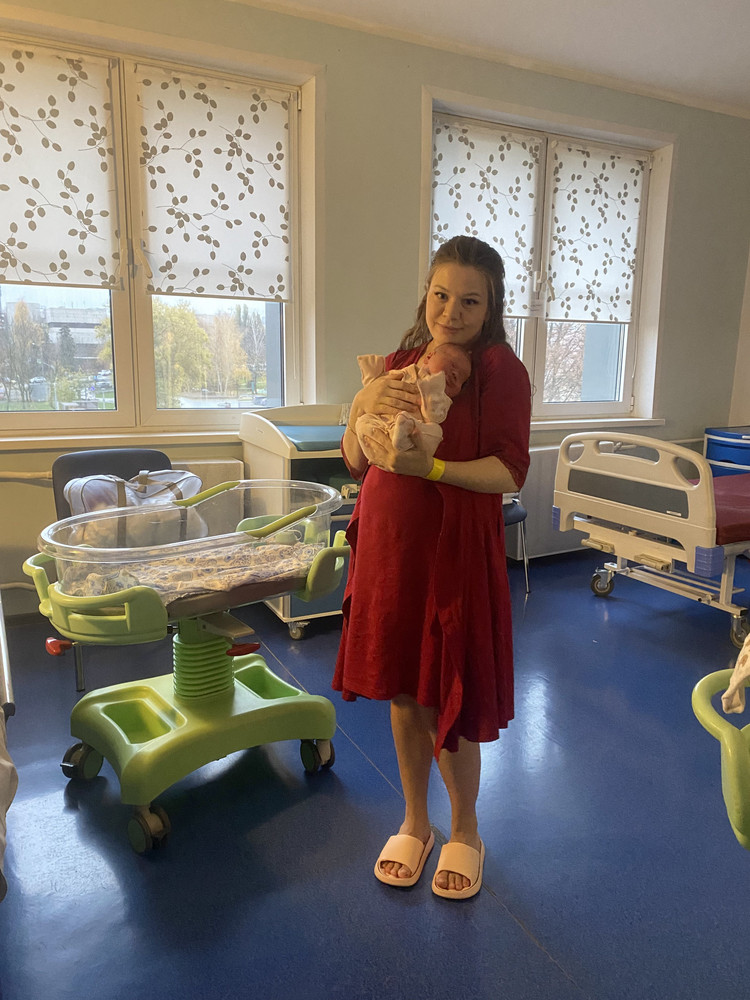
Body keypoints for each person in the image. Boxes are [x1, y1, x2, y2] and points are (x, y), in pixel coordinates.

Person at [333, 235, 531, 900]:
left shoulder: (500, 371)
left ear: (491, 306)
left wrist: (435, 468)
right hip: (389, 552)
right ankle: (415, 821)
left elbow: (510, 470)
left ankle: (465, 830)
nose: (452, 311)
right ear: (427, 293)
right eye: (442, 295)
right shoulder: (397, 363)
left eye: (470, 301)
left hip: (453, 554)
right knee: (401, 689)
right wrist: (360, 406)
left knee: (449, 692)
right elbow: (355, 460)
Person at [354, 342, 472, 462]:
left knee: (436, 431)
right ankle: (379, 445)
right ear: (429, 357)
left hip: (413, 430)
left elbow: (435, 417)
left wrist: (433, 395)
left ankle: (401, 435)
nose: (455, 374)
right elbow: (381, 384)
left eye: (461, 377)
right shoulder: (405, 370)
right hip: (381, 423)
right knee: (362, 422)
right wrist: (373, 375)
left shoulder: (442, 399)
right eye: (452, 364)